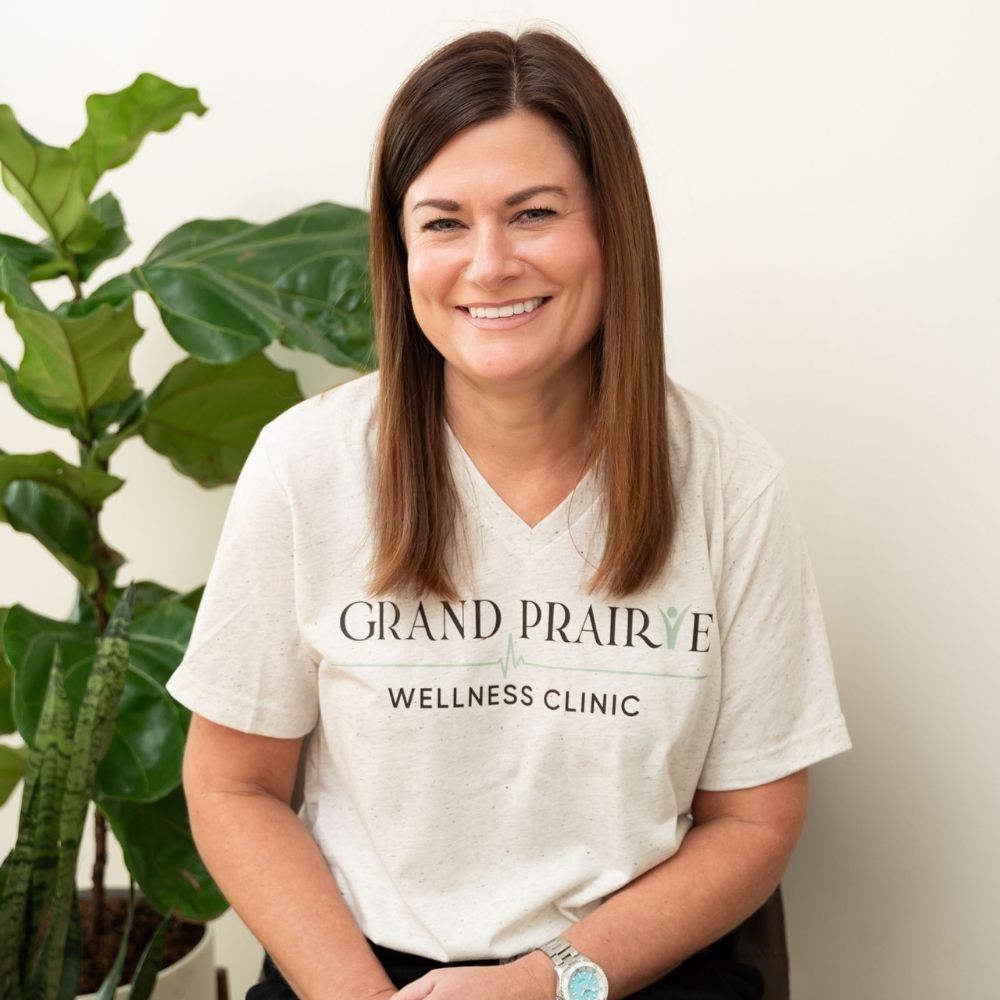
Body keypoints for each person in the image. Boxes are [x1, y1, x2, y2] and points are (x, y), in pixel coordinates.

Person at [166, 27, 851, 1000]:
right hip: (353, 972)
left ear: (610, 229)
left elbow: (753, 820)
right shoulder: (305, 465)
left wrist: (549, 983)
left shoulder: (730, 482)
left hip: (619, 972)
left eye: (532, 213)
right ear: (400, 247)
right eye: (443, 222)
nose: (488, 264)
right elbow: (232, 785)